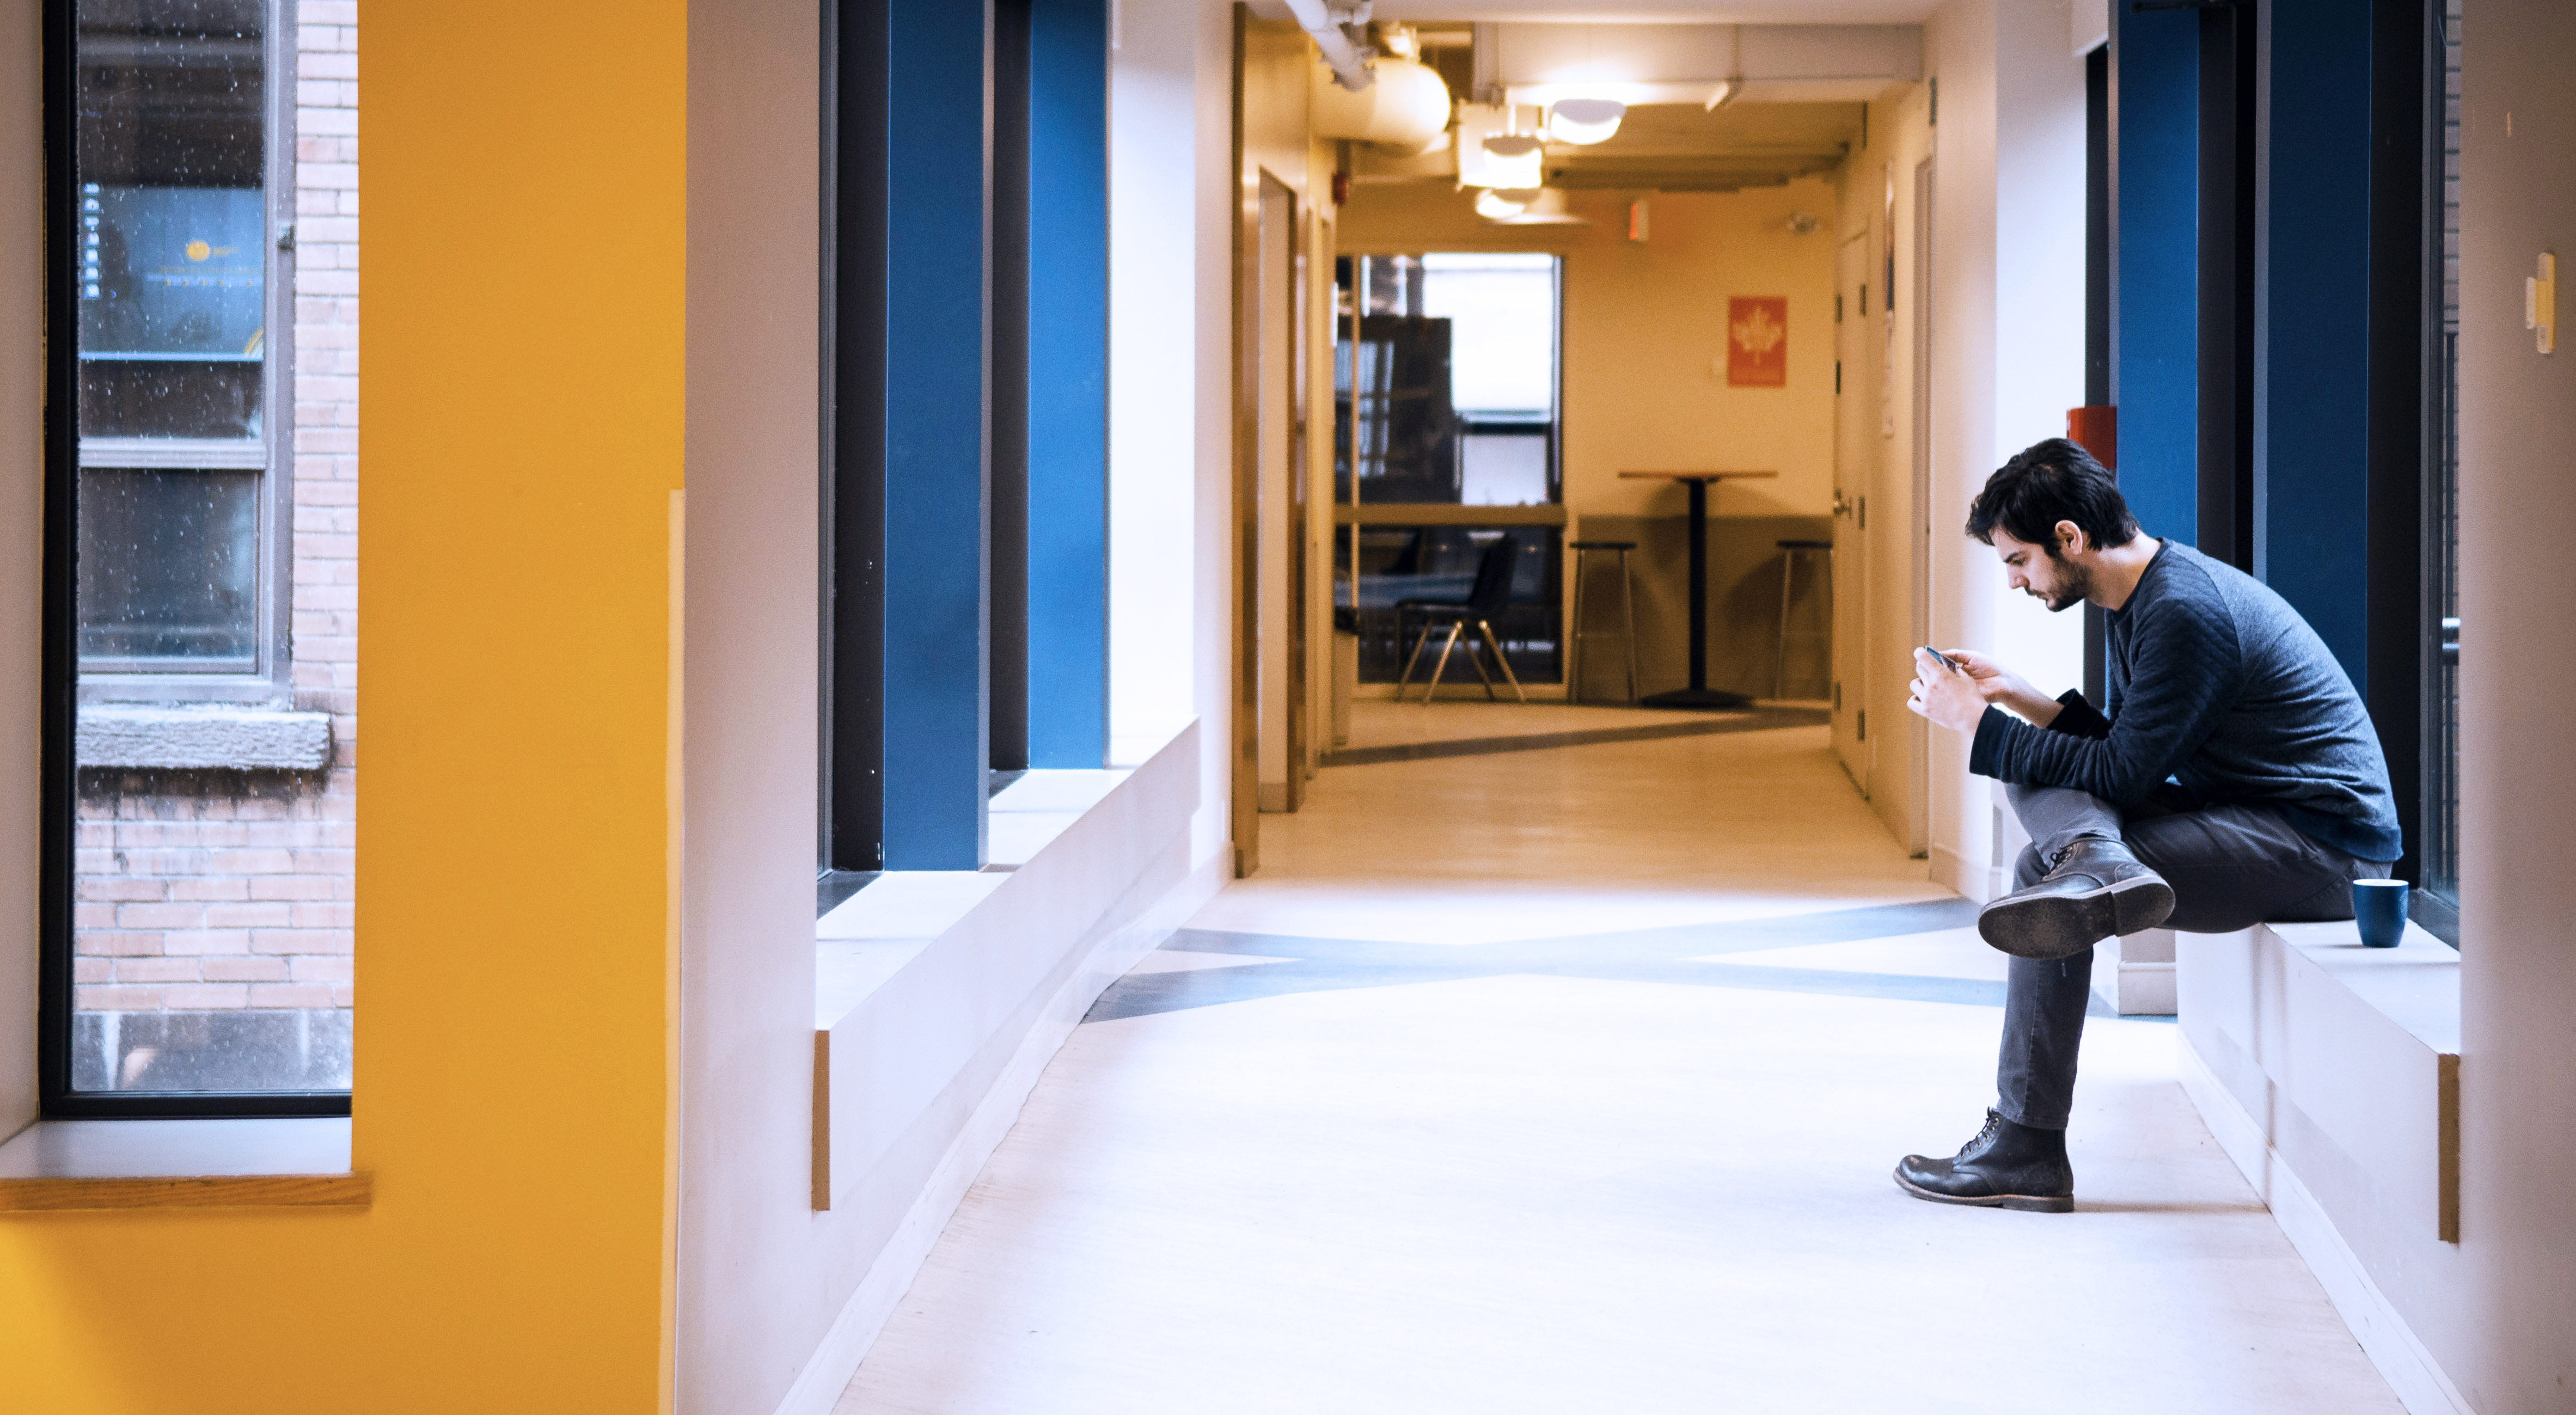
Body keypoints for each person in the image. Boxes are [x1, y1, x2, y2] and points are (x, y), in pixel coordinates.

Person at [1892, 438, 2399, 1213]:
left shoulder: (2185, 613)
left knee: (2042, 871)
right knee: (2043, 805)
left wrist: (1979, 728)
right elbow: (2127, 753)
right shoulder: (2141, 598)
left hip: (2322, 849)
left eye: (2019, 561)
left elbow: (2124, 776)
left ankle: (2026, 1147)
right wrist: (2021, 700)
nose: (2017, 581)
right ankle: (2096, 862)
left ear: (2069, 537)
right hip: (2249, 813)